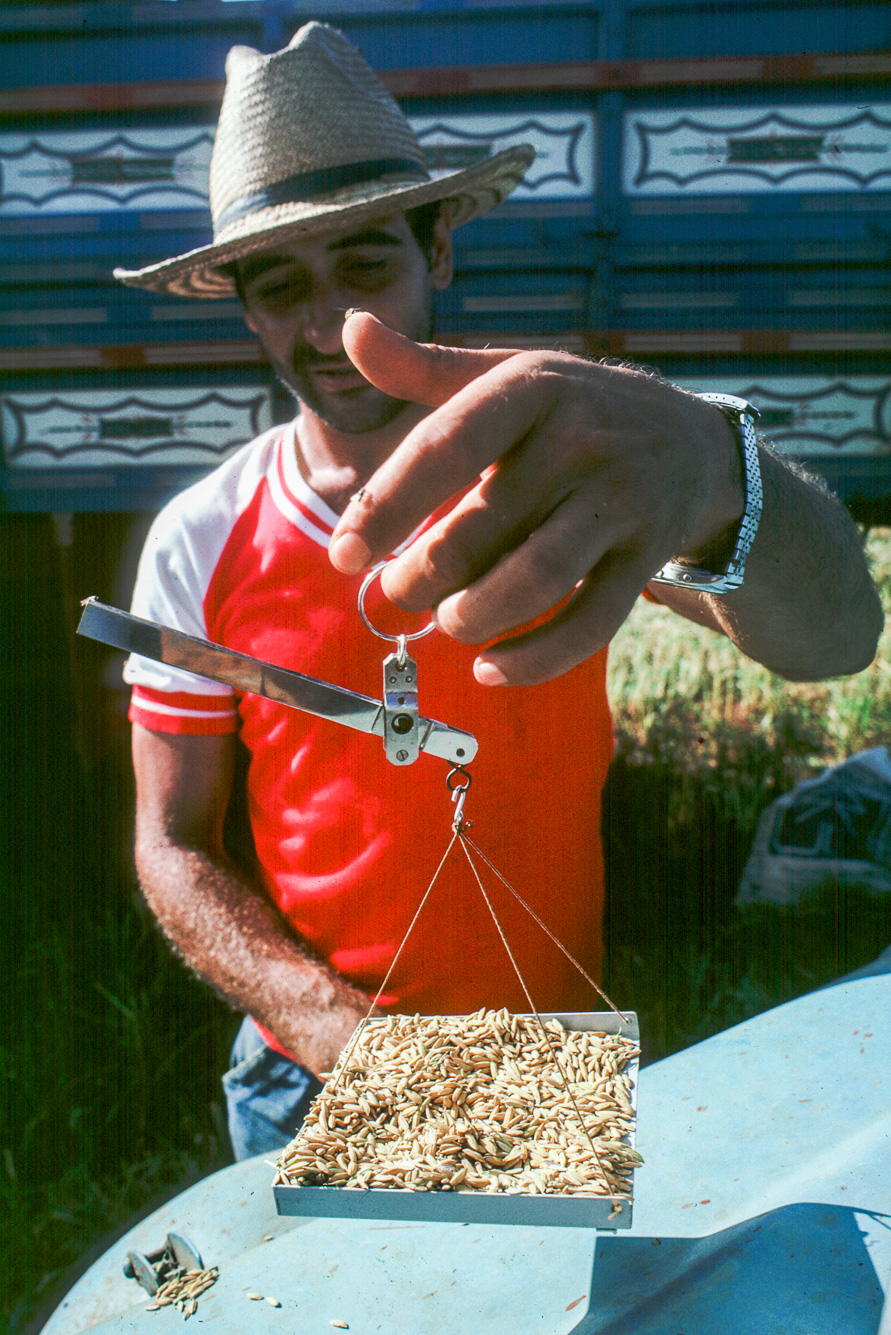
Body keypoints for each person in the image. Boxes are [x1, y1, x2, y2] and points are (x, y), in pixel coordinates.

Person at [116, 23, 882, 1160]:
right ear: (247, 310)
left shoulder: (553, 474)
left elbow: (837, 640)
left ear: (442, 252)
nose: (335, 326)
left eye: (369, 263)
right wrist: (340, 1036)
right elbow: (172, 843)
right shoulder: (200, 538)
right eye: (285, 288)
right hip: (309, 1079)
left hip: (546, 1055)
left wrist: (724, 472)